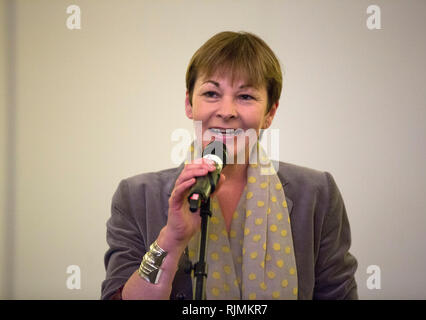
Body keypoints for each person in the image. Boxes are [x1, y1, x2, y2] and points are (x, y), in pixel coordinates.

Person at [101, 31, 358, 300]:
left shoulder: (317, 194)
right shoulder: (135, 197)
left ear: (270, 112)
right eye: (212, 93)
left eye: (245, 97)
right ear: (189, 104)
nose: (227, 111)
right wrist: (171, 241)